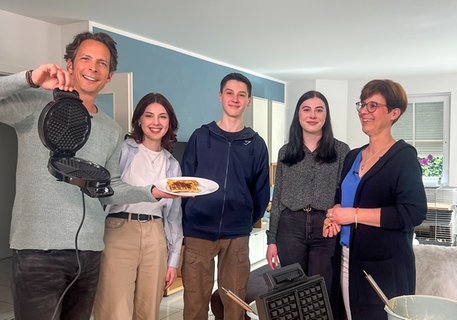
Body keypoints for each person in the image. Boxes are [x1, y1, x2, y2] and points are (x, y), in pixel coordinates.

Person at [0, 32, 171, 320]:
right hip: (37, 252)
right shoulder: (34, 104)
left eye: (102, 63)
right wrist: (28, 78)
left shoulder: (110, 130)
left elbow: (111, 187)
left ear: (109, 75)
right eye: (86, 59)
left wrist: (151, 192)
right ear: (69, 64)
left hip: (90, 253)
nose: (93, 67)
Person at [323, 79, 427, 320]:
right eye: (362, 104)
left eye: (372, 105)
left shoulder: (403, 157)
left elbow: (413, 213)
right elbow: (342, 199)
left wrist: (354, 215)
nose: (363, 111)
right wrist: (335, 214)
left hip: (384, 266)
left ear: (394, 113)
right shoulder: (352, 157)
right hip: (347, 257)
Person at [181, 72, 270, 320]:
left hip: (236, 236)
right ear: (220, 96)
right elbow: (184, 184)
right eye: (230, 93)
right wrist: (190, 217)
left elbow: (261, 191)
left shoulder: (255, 144)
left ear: (248, 101)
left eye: (242, 94)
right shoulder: (201, 137)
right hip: (199, 233)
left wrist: (244, 219)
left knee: (234, 304)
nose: (235, 99)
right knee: (195, 303)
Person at [93, 93, 183, 319]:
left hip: (155, 235)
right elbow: (104, 193)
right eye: (149, 115)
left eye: (162, 117)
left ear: (169, 123)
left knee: (148, 309)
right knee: (116, 308)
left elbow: (174, 218)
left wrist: (173, 261)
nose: (156, 122)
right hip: (119, 230)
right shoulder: (122, 150)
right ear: (139, 120)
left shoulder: (172, 164)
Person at [265, 90, 350, 295]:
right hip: (290, 228)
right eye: (306, 109)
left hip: (325, 228)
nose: (312, 115)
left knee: (321, 289)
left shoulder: (341, 151)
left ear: (326, 116)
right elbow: (277, 199)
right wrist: (272, 240)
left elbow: (344, 193)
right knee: (292, 289)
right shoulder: (286, 152)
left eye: (319, 110)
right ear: (298, 115)